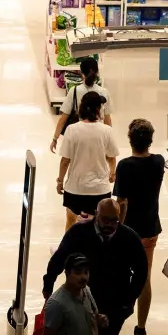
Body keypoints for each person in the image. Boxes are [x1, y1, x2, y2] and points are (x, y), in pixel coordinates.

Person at [42, 198, 148, 335]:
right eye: (105, 219)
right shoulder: (79, 232)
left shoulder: (128, 238)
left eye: (114, 221)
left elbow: (141, 271)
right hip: (84, 299)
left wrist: (129, 300)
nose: (109, 224)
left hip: (116, 301)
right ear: (97, 215)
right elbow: (60, 257)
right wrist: (48, 284)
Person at [113, 118, 165, 335]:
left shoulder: (124, 166)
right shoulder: (159, 162)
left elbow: (122, 203)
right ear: (150, 141)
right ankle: (141, 328)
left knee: (119, 275)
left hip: (129, 230)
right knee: (144, 278)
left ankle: (113, 319)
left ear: (130, 140)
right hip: (150, 229)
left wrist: (117, 230)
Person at [55, 92, 119, 233]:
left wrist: (60, 181)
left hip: (75, 188)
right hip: (100, 190)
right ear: (98, 109)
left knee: (71, 221)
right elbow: (112, 157)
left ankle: (70, 250)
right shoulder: (107, 131)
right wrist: (112, 173)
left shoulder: (72, 130)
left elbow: (65, 161)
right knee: (98, 225)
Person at [51, 57, 113, 152]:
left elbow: (63, 118)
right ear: (97, 72)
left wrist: (55, 139)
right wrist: (109, 140)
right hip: (98, 136)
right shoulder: (104, 92)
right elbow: (107, 120)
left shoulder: (74, 91)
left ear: (81, 73)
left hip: (78, 135)